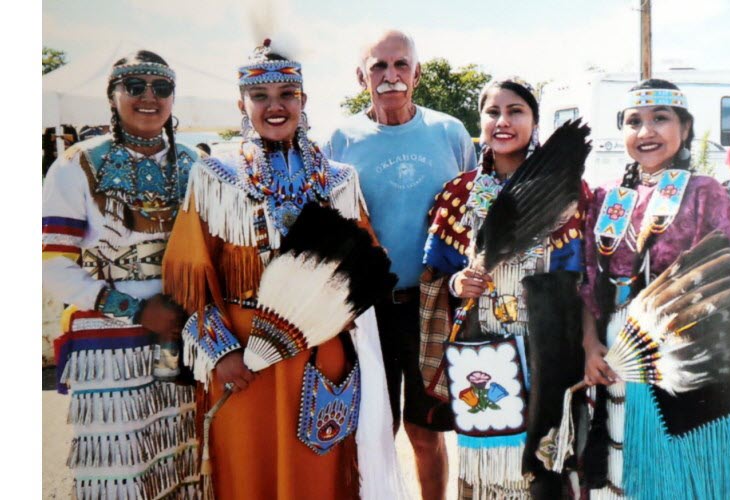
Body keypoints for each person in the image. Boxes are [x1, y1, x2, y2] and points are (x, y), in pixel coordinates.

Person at [163, 38, 404, 499]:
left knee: (320, 473)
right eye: (260, 97)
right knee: (247, 468)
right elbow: (188, 279)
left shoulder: (339, 180)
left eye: (286, 96)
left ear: (303, 101)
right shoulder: (215, 177)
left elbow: (364, 269)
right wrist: (222, 353)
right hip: (241, 354)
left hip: (322, 353)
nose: (275, 107)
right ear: (242, 103)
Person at [581, 79, 730, 499]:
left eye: (661, 119)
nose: (647, 132)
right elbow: (589, 282)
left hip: (685, 349)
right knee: (622, 457)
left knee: (679, 466)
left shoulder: (704, 192)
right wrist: (589, 345)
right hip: (616, 345)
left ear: (686, 128)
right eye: (634, 122)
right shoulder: (608, 198)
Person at [323, 29, 476, 500]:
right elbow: (328, 224)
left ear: (417, 72)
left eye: (400, 65)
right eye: (378, 66)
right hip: (367, 312)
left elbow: (475, 214)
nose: (390, 77)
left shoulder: (450, 133)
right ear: (360, 76)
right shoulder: (341, 139)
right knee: (373, 431)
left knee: (427, 434)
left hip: (433, 307)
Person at [42, 50, 201, 498]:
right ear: (112, 96)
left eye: (162, 88)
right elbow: (51, 265)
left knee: (183, 461)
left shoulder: (196, 164)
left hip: (185, 334)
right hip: (107, 339)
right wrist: (132, 309)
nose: (149, 97)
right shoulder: (77, 164)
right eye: (135, 87)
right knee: (119, 470)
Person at [421, 77, 589, 499]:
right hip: (483, 348)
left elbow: (583, 277)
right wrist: (459, 282)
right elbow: (435, 278)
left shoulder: (571, 194)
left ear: (534, 120)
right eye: (493, 112)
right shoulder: (458, 194)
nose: (503, 121)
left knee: (546, 460)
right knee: (487, 467)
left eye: (516, 111)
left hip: (547, 349)